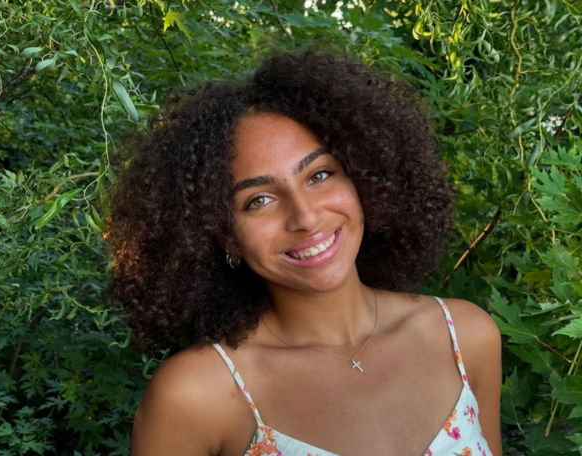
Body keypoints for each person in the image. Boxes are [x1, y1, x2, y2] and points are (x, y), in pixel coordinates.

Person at [106, 48, 502, 456]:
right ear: (224, 236)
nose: (306, 217)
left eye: (320, 174)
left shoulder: (467, 337)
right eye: (258, 200)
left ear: (363, 179)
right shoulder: (197, 395)